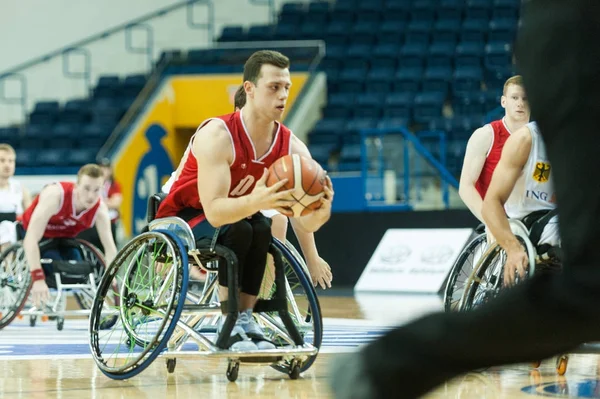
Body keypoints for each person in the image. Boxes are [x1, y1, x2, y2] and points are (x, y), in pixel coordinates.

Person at [329, 1, 600, 398]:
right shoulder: (508, 138)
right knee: (587, 285)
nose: (521, 103)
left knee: (582, 293)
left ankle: (389, 363)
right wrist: (506, 241)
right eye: (515, 97)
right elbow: (479, 194)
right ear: (506, 100)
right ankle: (391, 362)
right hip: (523, 216)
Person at [155, 50, 334, 351]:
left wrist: (321, 210)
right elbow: (214, 212)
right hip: (186, 215)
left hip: (237, 216)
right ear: (249, 89)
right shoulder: (218, 134)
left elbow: (302, 219)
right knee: (240, 228)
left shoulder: (293, 146)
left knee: (261, 228)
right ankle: (230, 319)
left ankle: (246, 320)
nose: (283, 95)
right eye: (273, 87)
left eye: (286, 87)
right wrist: (258, 199)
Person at [22, 164, 118, 308]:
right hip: (35, 234)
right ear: (76, 186)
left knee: (78, 271)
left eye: (96, 190)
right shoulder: (55, 195)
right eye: (86, 188)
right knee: (52, 269)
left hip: (63, 239)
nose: (91, 196)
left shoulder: (100, 209)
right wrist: (37, 277)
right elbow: (30, 239)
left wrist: (111, 276)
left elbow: (110, 247)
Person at [459, 76, 530, 223]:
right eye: (515, 98)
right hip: (500, 219)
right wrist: (493, 223)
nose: (520, 103)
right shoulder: (486, 136)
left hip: (532, 219)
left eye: (525, 98)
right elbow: (465, 187)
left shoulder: (541, 138)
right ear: (503, 102)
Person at [77, 158, 122, 251]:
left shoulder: (114, 185)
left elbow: (116, 202)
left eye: (106, 168)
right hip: (92, 222)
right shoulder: (91, 183)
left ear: (110, 170)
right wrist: (106, 201)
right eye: (101, 168)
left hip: (110, 221)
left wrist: (96, 202)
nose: (104, 171)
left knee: (108, 247)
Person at [0, 144, 32, 250]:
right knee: (5, 227)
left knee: (8, 227)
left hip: (17, 234)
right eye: (2, 160)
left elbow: (31, 217)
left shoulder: (21, 189)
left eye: (11, 161)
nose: (7, 165)